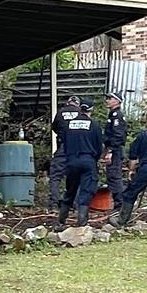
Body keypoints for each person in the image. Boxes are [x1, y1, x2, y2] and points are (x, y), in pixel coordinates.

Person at [55, 98, 103, 229]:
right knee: (86, 191)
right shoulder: (94, 125)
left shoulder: (68, 125)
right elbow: (99, 147)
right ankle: (82, 221)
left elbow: (63, 141)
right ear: (91, 110)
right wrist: (95, 159)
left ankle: (61, 221)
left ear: (80, 108)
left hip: (71, 160)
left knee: (70, 190)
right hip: (88, 160)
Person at [48, 95, 81, 210]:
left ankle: (54, 204)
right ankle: (74, 204)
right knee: (76, 177)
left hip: (63, 147)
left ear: (68, 103)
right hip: (77, 149)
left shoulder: (60, 112)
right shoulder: (81, 113)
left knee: (55, 176)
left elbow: (54, 127)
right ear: (78, 104)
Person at [103, 91, 127, 209]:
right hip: (113, 149)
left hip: (115, 150)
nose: (107, 100)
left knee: (114, 176)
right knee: (112, 176)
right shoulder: (112, 114)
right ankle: (118, 203)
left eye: (110, 98)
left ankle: (120, 204)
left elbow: (118, 135)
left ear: (117, 101)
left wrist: (111, 151)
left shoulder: (117, 115)